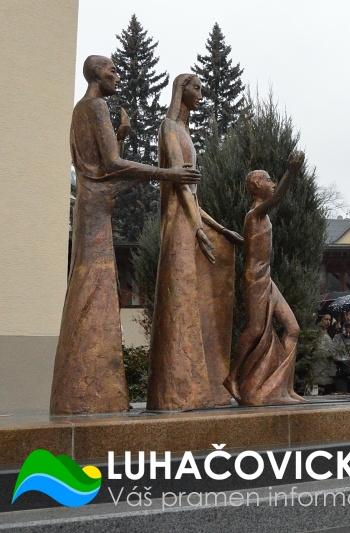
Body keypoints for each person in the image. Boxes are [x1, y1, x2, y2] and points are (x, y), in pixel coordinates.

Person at [50, 56, 201, 415]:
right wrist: (167, 174)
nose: (116, 75)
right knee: (95, 284)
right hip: (95, 205)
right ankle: (91, 394)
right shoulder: (96, 105)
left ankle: (87, 391)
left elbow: (96, 164)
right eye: (111, 70)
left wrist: (118, 138)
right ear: (94, 74)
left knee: (92, 281)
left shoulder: (83, 108)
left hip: (92, 202)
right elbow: (113, 166)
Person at [147, 74, 243, 411]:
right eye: (196, 88)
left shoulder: (185, 131)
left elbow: (195, 195)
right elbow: (180, 184)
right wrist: (197, 228)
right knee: (180, 301)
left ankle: (202, 385)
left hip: (190, 220)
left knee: (196, 301)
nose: (201, 94)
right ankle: (177, 390)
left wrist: (217, 227)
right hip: (178, 225)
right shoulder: (169, 127)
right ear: (181, 91)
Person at [223, 157, 306, 405]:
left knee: (293, 329)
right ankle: (233, 375)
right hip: (255, 280)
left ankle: (285, 388)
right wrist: (290, 171)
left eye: (272, 180)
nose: (271, 183)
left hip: (267, 278)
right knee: (256, 329)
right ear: (257, 186)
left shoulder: (258, 217)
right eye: (268, 180)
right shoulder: (255, 212)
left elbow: (251, 245)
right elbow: (277, 198)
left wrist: (236, 240)